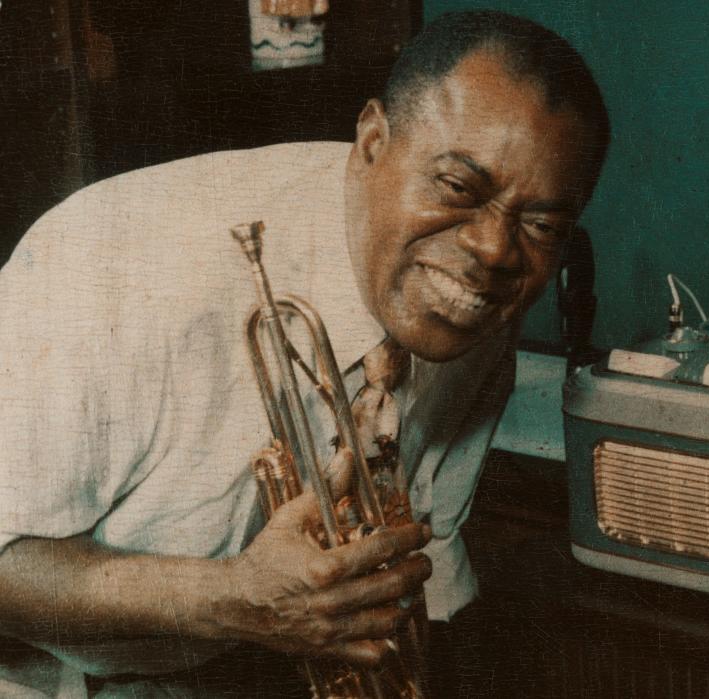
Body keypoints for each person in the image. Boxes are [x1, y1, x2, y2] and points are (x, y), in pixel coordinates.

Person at [0, 9, 609, 697]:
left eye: (543, 224)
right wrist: (231, 597)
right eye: (458, 189)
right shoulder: (109, 267)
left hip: (239, 666)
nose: (493, 252)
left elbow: (427, 550)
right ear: (373, 141)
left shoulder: (473, 300)